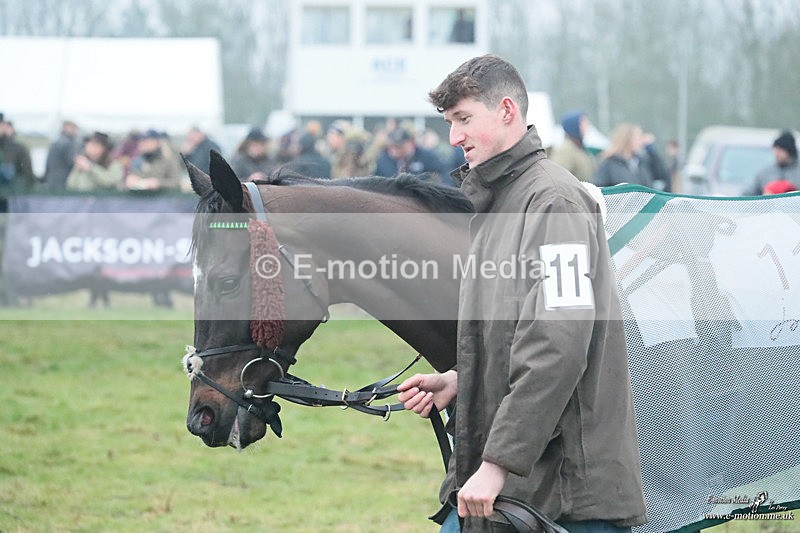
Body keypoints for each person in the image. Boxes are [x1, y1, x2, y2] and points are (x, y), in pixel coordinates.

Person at [397, 55, 647, 532]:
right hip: (514, 488)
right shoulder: (500, 205)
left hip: (563, 497)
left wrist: (496, 465)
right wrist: (459, 380)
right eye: (451, 123)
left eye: (464, 119)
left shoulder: (553, 203)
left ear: (507, 111)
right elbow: (513, 333)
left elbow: (556, 347)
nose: (454, 138)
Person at [592, 123, 671, 190]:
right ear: (627, 139)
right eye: (638, 137)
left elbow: (661, 174)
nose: (642, 140)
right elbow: (599, 189)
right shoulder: (608, 163)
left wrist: (652, 151)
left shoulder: (642, 162)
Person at [375, 126, 447, 181]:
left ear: (411, 142)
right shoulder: (384, 159)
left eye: (398, 147)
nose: (393, 151)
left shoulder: (428, 157)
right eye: (391, 146)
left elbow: (443, 175)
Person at [742, 130, 800, 195]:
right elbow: (749, 192)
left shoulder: (797, 173)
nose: (776, 154)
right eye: (775, 150)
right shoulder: (765, 173)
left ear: (790, 151)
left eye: (780, 151)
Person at [549, 110, 596, 181]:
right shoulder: (565, 150)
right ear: (574, 125)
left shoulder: (579, 148)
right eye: (583, 122)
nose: (587, 125)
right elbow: (558, 179)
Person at [43, 120, 80, 191]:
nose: (75, 131)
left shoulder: (54, 143)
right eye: (73, 128)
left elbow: (48, 163)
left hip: (52, 179)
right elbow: (72, 163)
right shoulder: (69, 144)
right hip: (64, 180)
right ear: (65, 128)